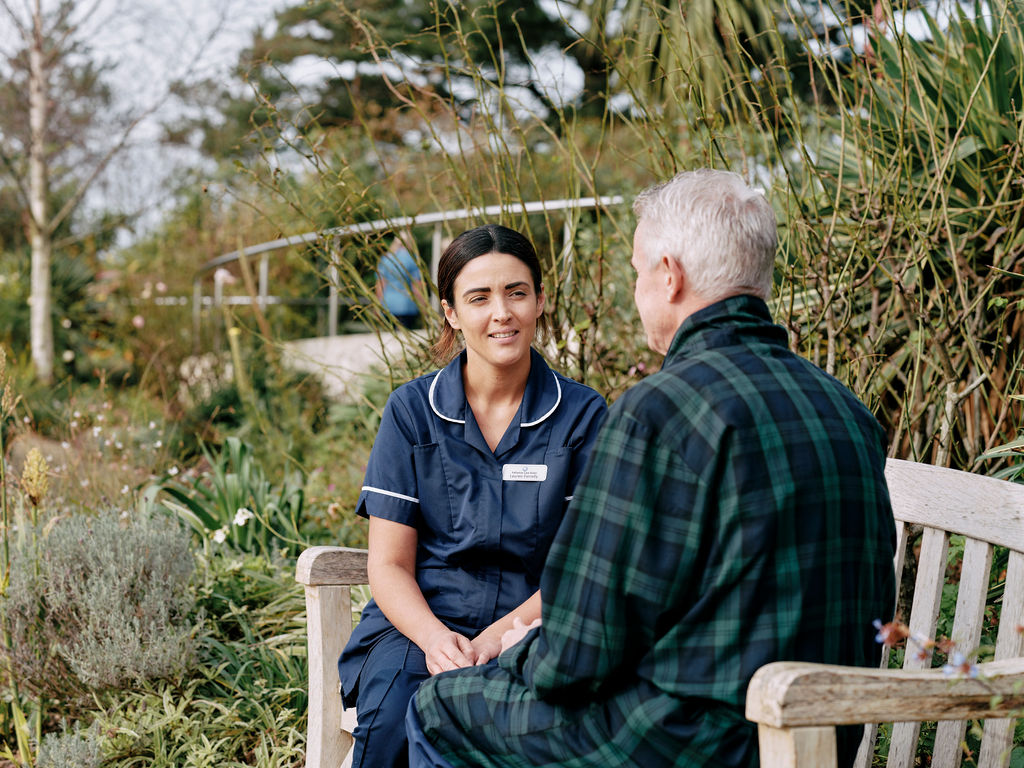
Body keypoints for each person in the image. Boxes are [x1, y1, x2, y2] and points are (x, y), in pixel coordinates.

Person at [408, 170, 897, 768]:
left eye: (638, 272)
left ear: (670, 276)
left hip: (688, 741)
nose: (637, 289)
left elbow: (576, 657)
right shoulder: (844, 408)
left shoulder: (660, 411)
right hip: (817, 735)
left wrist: (517, 651)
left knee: (437, 706)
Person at [339, 224, 608, 768]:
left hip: (535, 630)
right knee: (393, 719)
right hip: (418, 627)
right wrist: (438, 641)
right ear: (451, 313)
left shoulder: (583, 416)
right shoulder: (411, 411)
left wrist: (496, 638)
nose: (501, 313)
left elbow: (582, 567)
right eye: (479, 298)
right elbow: (388, 564)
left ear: (539, 302)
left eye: (516, 292)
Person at [376, 230, 426, 328]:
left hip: (388, 305)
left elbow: (380, 285)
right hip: (407, 305)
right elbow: (416, 286)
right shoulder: (413, 259)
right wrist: (424, 307)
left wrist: (378, 305)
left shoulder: (386, 259)